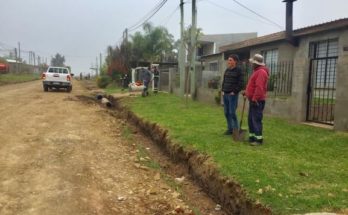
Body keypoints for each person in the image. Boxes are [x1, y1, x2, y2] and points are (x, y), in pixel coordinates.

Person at [245, 54, 269, 146]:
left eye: (253, 63)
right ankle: (252, 137)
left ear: (257, 63)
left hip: (257, 100)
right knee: (251, 119)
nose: (252, 64)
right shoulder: (256, 71)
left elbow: (259, 88)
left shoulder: (261, 72)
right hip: (253, 99)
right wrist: (246, 93)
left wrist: (255, 98)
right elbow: (253, 85)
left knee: (256, 119)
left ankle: (258, 139)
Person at [221, 54, 244, 135]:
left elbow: (241, 83)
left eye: (230, 60)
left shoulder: (239, 71)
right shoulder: (227, 70)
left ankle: (235, 129)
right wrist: (222, 90)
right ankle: (230, 129)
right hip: (225, 94)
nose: (228, 61)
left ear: (235, 61)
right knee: (226, 113)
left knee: (232, 112)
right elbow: (224, 81)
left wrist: (234, 92)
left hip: (232, 95)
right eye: (228, 60)